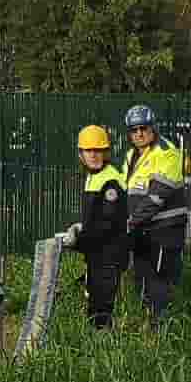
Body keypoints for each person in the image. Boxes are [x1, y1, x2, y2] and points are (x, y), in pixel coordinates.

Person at [120, 103, 189, 328]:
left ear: (153, 128)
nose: (139, 133)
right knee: (142, 278)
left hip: (165, 229)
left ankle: (162, 333)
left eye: (144, 128)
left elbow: (157, 197)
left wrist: (129, 221)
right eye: (134, 129)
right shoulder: (131, 156)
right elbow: (125, 191)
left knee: (159, 282)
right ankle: (148, 327)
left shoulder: (167, 152)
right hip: (142, 228)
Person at [59, 123, 129, 329]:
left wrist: (79, 240)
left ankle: (106, 351)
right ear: (81, 154)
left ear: (106, 152)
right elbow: (95, 219)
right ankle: (97, 346)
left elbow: (107, 224)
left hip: (109, 255)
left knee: (101, 309)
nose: (93, 155)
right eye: (89, 150)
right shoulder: (94, 177)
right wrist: (81, 228)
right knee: (94, 306)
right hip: (97, 254)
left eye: (98, 150)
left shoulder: (111, 181)